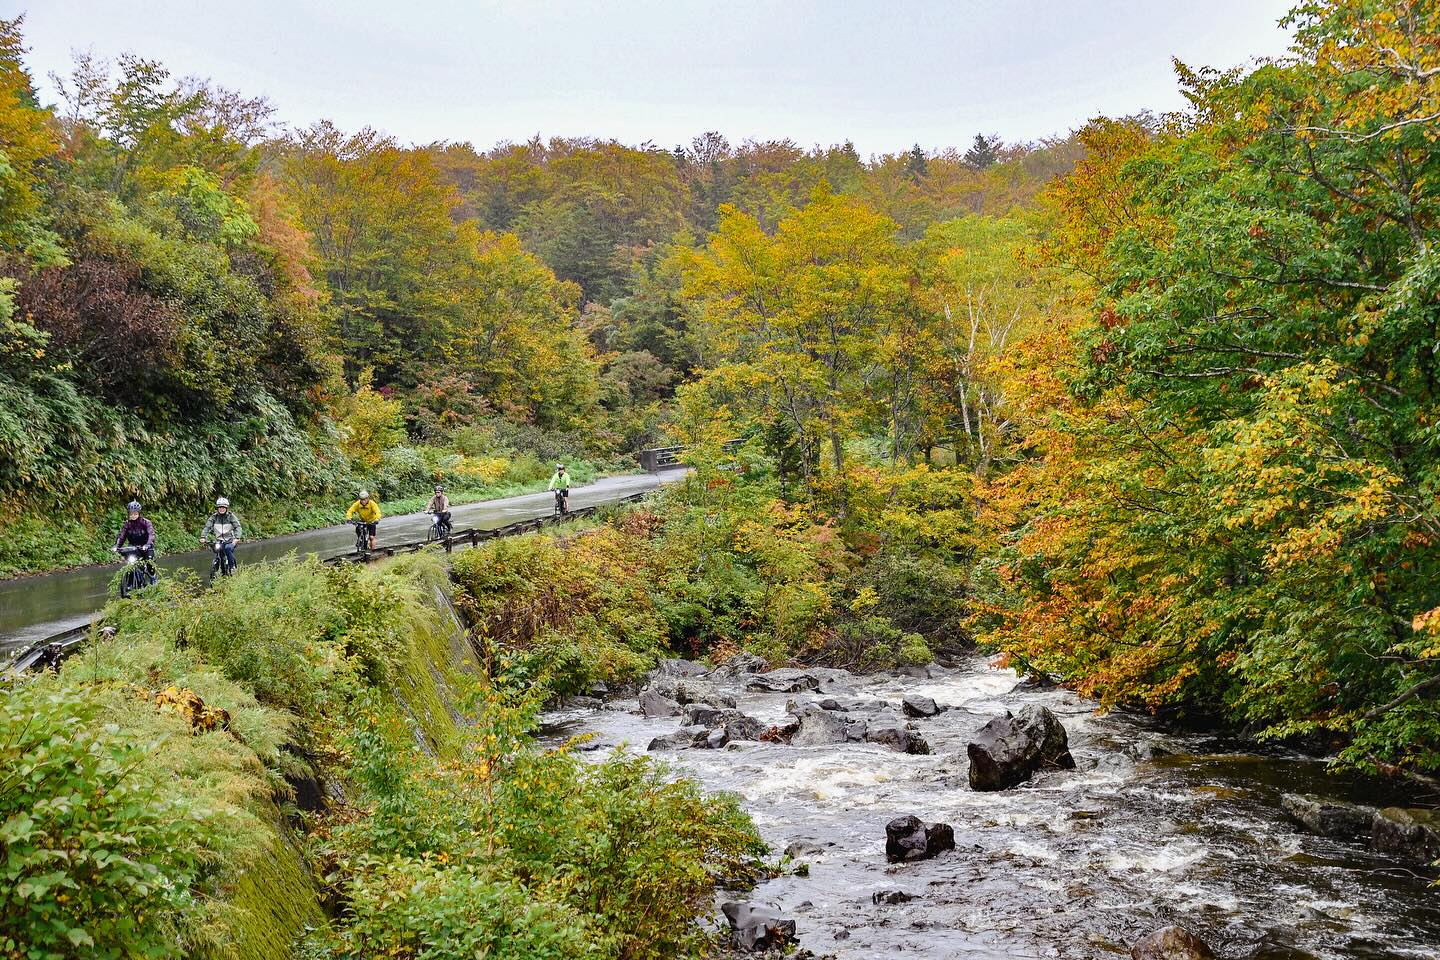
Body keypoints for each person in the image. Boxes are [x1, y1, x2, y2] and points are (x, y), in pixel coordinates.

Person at [114, 500, 157, 583]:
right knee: (131, 566)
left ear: (139, 513)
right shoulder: (126, 524)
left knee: (150, 563)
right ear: (128, 514)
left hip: (146, 547)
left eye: (135, 514)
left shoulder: (146, 523)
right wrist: (116, 546)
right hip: (133, 547)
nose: (133, 516)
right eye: (131, 514)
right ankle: (130, 585)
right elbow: (121, 536)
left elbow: (151, 535)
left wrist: (147, 545)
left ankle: (153, 579)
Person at [200, 496, 242, 572]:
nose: (221, 509)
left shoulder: (231, 517)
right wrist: (203, 537)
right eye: (220, 507)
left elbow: (238, 527)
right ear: (217, 508)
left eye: (223, 507)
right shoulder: (214, 517)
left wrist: (237, 538)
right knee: (218, 551)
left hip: (230, 540)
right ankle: (220, 570)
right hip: (219, 540)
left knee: (228, 548)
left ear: (226, 508)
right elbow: (207, 527)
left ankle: (232, 567)